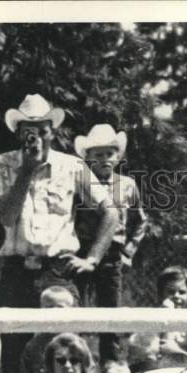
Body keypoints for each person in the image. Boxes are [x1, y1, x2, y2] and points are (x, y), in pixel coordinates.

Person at [0, 94, 118, 373]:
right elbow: (5, 216)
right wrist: (26, 172)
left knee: (65, 349)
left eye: (42, 129)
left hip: (59, 271)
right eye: (28, 130)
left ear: (52, 130)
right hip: (17, 269)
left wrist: (92, 259)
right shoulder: (2, 164)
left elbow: (111, 213)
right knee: (15, 353)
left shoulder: (72, 166)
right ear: (19, 133)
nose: (36, 136)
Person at [73, 123, 149, 308]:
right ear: (88, 158)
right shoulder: (81, 184)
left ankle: (109, 338)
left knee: (110, 306)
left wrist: (128, 252)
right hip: (84, 250)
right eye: (99, 155)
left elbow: (140, 221)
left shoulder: (127, 185)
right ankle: (76, 337)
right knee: (77, 303)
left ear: (118, 157)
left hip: (113, 255)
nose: (105, 159)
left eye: (109, 154)